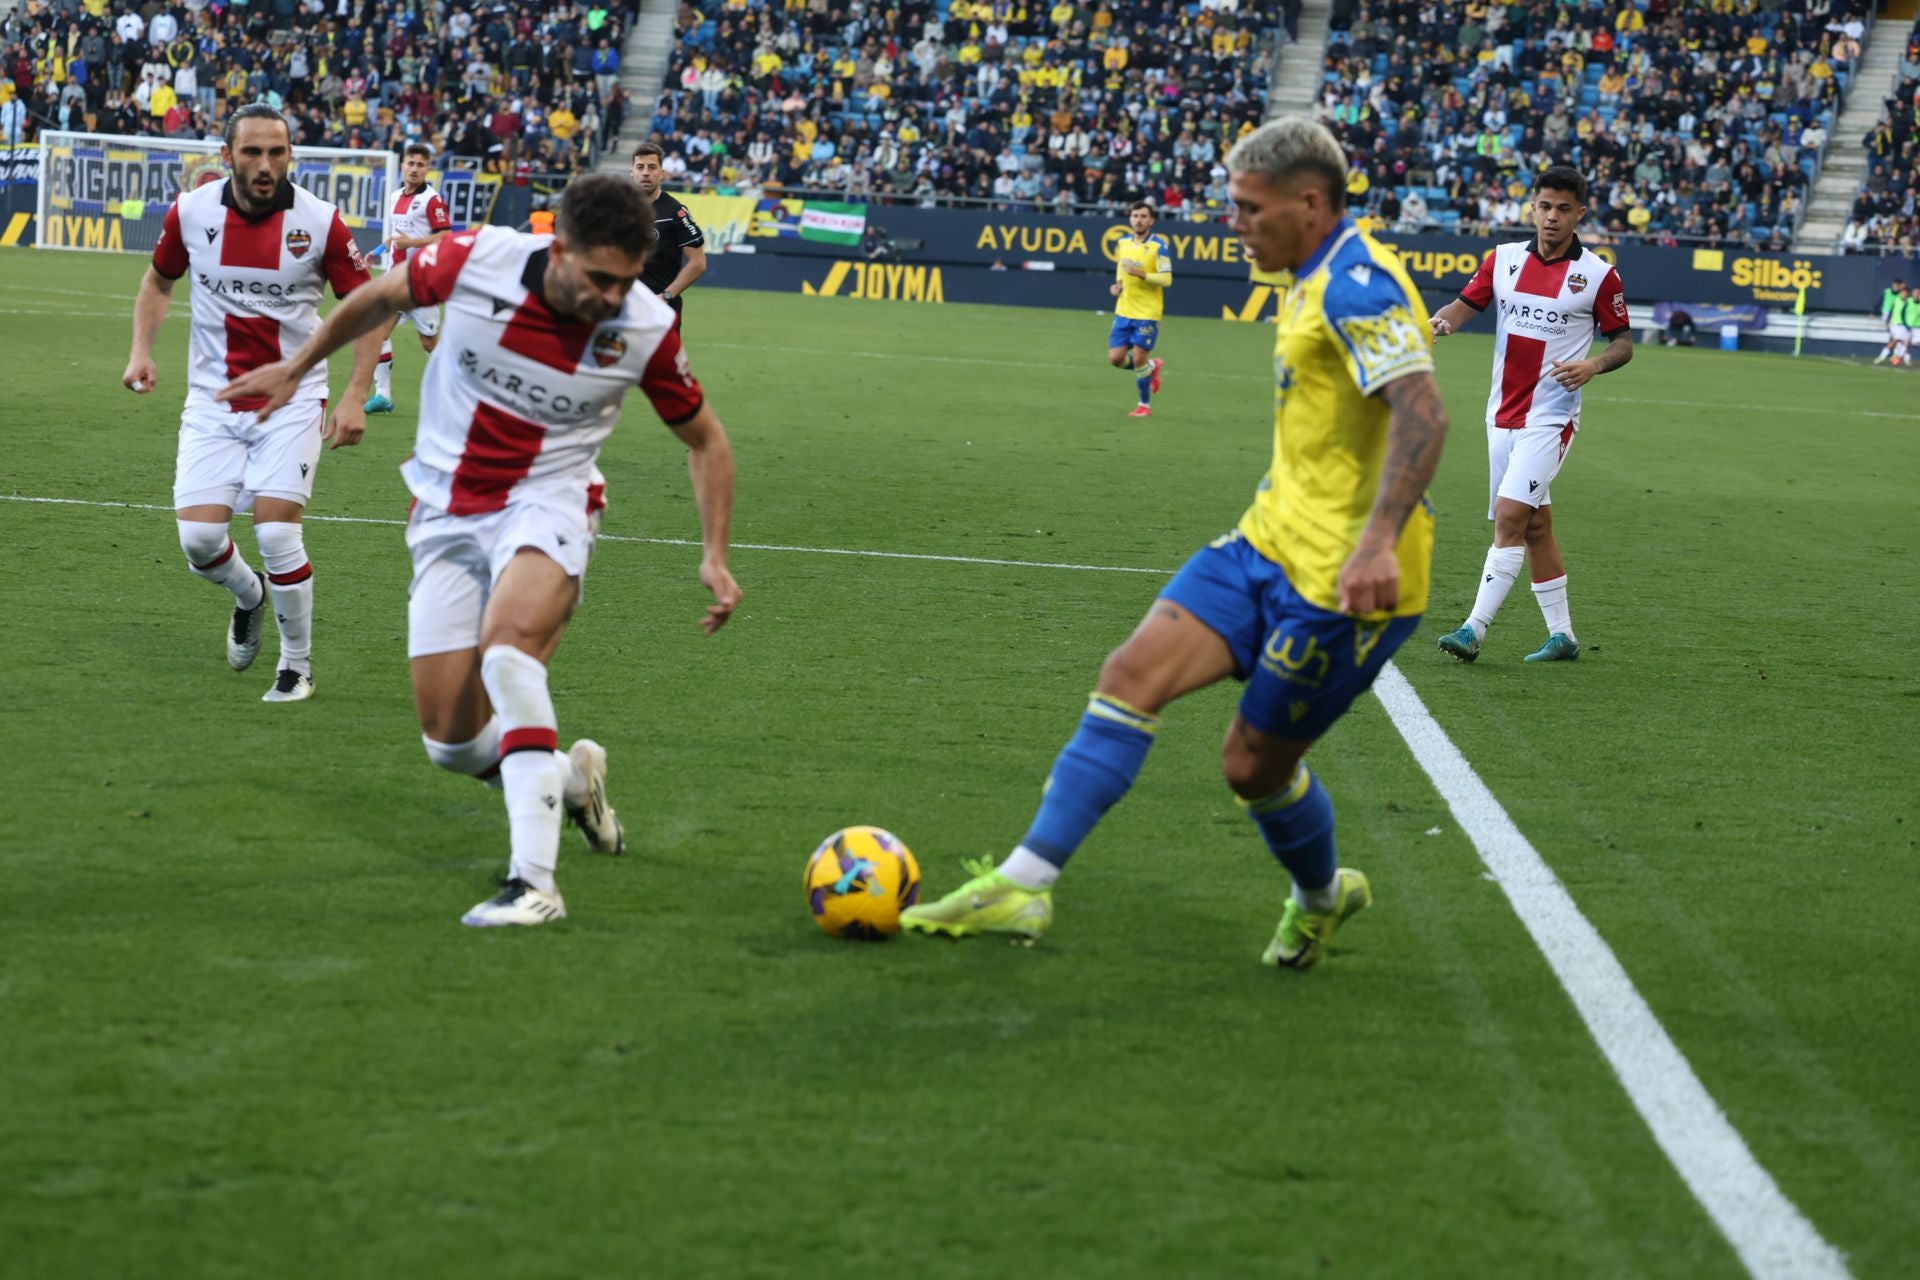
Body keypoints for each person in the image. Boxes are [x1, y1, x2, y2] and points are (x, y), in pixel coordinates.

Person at [901, 118, 1451, 970]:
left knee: (1251, 768)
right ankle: (1023, 884)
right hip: (1266, 542)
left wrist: (1377, 541)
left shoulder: (1357, 286)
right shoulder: (1307, 273)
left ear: (1310, 204)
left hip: (1345, 581)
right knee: (1131, 674)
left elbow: (1424, 412)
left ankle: (1319, 899)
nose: (1235, 223)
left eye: (1249, 209)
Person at [215, 174, 742, 929]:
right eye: (598, 278)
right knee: (452, 744)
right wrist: (304, 372)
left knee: (508, 651)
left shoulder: (646, 325)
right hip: (446, 511)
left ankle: (535, 884)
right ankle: (572, 782)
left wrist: (715, 554)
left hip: (551, 502)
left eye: (624, 281)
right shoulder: (478, 258)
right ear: (557, 248)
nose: (610, 297)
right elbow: (378, 296)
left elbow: (707, 440)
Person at [122, 103, 380, 704]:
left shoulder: (320, 223)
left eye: (277, 152)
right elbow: (159, 280)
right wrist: (140, 351)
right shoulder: (191, 212)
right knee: (200, 542)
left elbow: (369, 307)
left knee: (277, 532)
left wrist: (355, 393)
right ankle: (251, 595)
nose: (266, 165)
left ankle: (296, 666)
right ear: (227, 156)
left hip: (293, 399)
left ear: (291, 155)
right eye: (253, 152)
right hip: (213, 399)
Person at [1427, 166, 1632, 665]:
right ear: (1533, 208)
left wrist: (1594, 364)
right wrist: (1440, 323)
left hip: (1551, 417)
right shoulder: (1503, 260)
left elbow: (1623, 343)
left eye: (1563, 209)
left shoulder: (1599, 276)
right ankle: (1563, 636)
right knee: (1535, 526)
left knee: (1511, 516)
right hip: (1500, 414)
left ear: (1580, 214)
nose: (1552, 217)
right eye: (1544, 206)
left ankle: (1473, 629)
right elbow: (1462, 306)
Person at [365, 142, 453, 414]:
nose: (414, 169)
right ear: (403, 165)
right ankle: (382, 395)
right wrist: (378, 251)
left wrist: (413, 243)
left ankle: (452, 390)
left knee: (429, 343)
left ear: (428, 169)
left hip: (421, 282)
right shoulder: (395, 196)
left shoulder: (432, 200)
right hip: (396, 280)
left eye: (420, 165)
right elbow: (397, 235)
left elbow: (445, 235)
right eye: (411, 163)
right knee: (377, 332)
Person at [630, 142, 706, 321]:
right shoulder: (619, 210)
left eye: (652, 167)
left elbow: (698, 263)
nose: (646, 173)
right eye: (640, 167)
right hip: (625, 308)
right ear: (632, 172)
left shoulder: (675, 212)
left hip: (660, 311)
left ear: (662, 173)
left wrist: (666, 296)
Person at [1108, 199, 1171, 418]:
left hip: (1147, 312)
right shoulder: (1123, 242)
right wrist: (1118, 284)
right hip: (1124, 310)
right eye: (1135, 216)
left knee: (1138, 358)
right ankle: (1153, 366)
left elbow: (1167, 279)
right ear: (1130, 219)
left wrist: (1141, 274)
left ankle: (1144, 405)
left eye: (1143, 216)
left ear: (1151, 220)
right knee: (1116, 359)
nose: (1139, 220)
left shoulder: (1159, 246)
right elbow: (1121, 266)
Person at [1878, 279, 1912, 367]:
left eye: (1906, 292)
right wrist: (1887, 321)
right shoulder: (1897, 299)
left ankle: (1898, 357)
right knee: (1896, 340)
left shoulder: (1910, 301)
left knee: (1904, 342)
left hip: (1906, 325)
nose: (1904, 293)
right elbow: (1891, 311)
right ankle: (1885, 356)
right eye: (1903, 292)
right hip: (1896, 324)